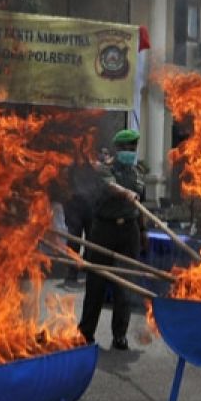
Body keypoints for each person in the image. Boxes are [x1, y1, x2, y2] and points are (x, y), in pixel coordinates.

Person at [79, 129, 146, 350]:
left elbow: (141, 206)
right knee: (96, 284)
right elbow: (109, 185)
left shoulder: (138, 172)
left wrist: (142, 232)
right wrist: (125, 192)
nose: (131, 152)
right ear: (119, 150)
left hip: (129, 231)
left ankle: (120, 335)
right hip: (104, 231)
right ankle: (86, 333)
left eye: (134, 148)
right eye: (127, 148)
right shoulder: (105, 169)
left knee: (123, 286)